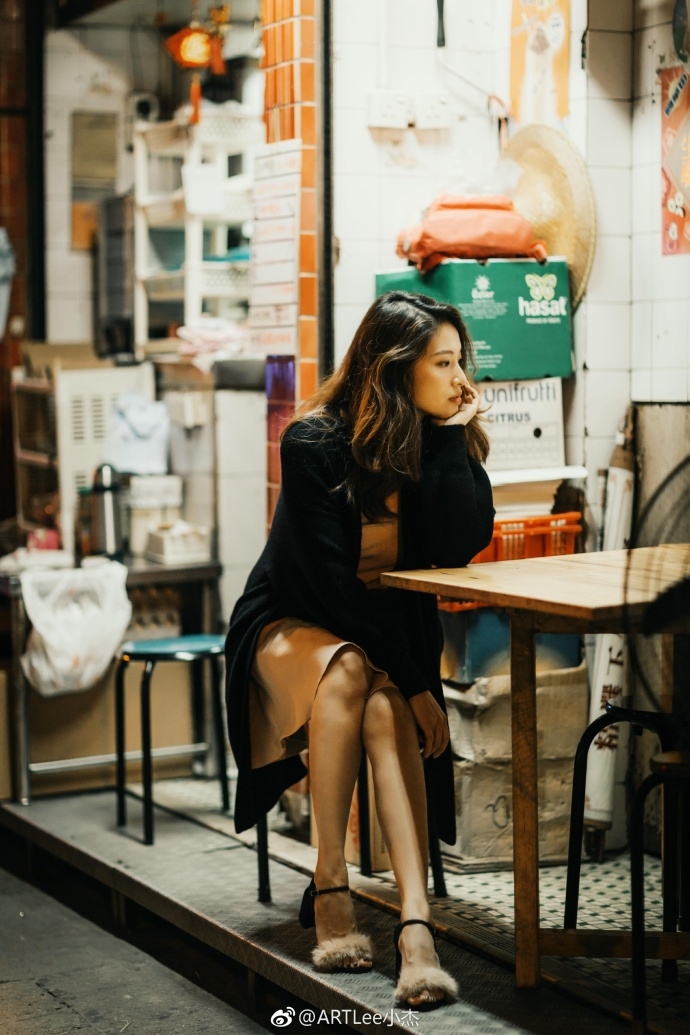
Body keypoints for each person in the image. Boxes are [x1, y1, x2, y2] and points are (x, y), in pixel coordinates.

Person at [225, 290, 494, 1008]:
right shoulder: (313, 441)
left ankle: (415, 928)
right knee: (350, 672)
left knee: (378, 708)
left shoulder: (426, 440)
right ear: (395, 368)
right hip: (290, 623)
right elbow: (334, 593)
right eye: (442, 362)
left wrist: (450, 437)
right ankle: (331, 879)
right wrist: (415, 683)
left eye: (460, 360)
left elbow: (459, 542)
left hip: (380, 638)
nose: (459, 376)